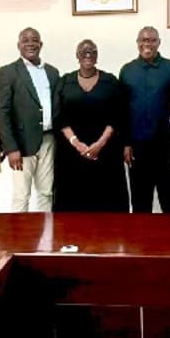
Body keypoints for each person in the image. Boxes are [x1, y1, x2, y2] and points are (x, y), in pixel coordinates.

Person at [53, 39, 129, 212]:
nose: (88, 55)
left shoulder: (110, 81)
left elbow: (118, 116)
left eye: (92, 51)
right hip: (71, 155)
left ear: (97, 55)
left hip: (105, 153)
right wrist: (77, 144)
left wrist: (99, 144)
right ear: (77, 56)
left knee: (106, 204)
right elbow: (59, 116)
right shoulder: (65, 81)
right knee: (73, 205)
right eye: (83, 51)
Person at [119, 26, 170, 213]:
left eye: (152, 40)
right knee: (140, 203)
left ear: (158, 42)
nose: (147, 44)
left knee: (169, 202)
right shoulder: (127, 70)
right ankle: (140, 242)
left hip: (166, 147)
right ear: (138, 43)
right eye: (143, 40)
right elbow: (122, 110)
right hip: (137, 148)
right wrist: (125, 143)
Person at [0, 28, 60, 212]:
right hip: (21, 144)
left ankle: (46, 236)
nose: (30, 43)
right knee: (21, 195)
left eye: (34, 40)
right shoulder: (8, 72)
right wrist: (10, 148)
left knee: (46, 192)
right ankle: (19, 239)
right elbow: (3, 111)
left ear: (41, 44)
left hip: (48, 140)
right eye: (25, 40)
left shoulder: (52, 72)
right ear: (18, 45)